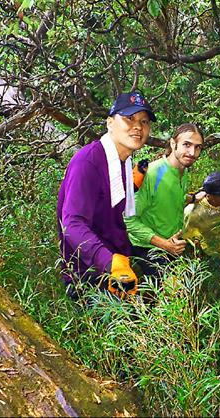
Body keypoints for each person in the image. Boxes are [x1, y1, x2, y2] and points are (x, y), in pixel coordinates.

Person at [57, 91, 156, 300]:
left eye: (144, 121)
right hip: (90, 274)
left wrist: (134, 184)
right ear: (110, 123)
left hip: (115, 260)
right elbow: (72, 224)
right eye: (129, 118)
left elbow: (108, 203)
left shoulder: (123, 161)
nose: (138, 126)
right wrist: (111, 264)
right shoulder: (88, 162)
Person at [125, 123, 205, 281]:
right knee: (173, 294)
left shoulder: (183, 172)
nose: (192, 152)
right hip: (147, 247)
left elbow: (174, 198)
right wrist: (164, 244)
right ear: (173, 143)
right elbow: (128, 220)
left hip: (172, 244)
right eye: (187, 145)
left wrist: (194, 198)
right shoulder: (153, 174)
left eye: (198, 147)